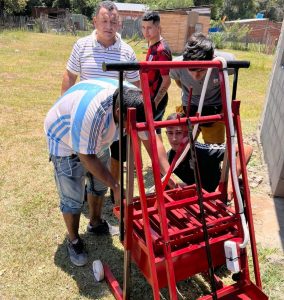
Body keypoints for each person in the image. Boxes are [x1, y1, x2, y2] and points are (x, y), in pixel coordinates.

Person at [44, 78, 177, 266]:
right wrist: (115, 184)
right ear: (117, 113)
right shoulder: (92, 114)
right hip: (64, 139)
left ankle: (95, 224)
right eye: (127, 126)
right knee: (72, 196)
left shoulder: (136, 102)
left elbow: (152, 141)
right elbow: (86, 157)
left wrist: (166, 173)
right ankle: (73, 240)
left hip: (96, 137)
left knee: (99, 185)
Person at [60, 1, 140, 231]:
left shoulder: (126, 51)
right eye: (104, 21)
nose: (109, 25)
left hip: (110, 124)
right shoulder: (82, 45)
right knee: (80, 163)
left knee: (102, 169)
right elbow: (69, 77)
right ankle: (79, 204)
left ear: (120, 23)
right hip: (83, 119)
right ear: (95, 22)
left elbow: (135, 85)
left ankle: (97, 215)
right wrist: (66, 109)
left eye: (113, 21)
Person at [165, 113, 253, 200]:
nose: (174, 139)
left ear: (189, 133)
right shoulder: (169, 158)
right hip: (198, 195)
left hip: (217, 195)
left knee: (240, 187)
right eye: (170, 133)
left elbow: (246, 149)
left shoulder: (203, 150)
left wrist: (230, 182)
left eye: (179, 132)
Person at [170, 33, 235, 144]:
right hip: (189, 108)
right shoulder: (176, 66)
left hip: (216, 110)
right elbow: (178, 82)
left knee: (214, 150)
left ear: (212, 58)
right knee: (183, 147)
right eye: (191, 70)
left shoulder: (224, 63)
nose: (196, 76)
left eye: (201, 70)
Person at [141, 11, 172, 136]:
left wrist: (154, 103)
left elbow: (167, 80)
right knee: (154, 134)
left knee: (149, 135)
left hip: (156, 99)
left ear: (159, 28)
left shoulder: (161, 50)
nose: (145, 32)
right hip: (149, 97)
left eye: (149, 28)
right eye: (143, 27)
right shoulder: (152, 44)